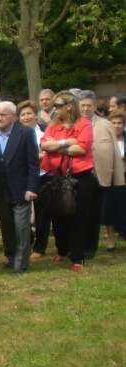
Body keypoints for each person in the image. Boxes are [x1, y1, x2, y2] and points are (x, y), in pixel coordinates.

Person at [40, 91, 97, 272]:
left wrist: (57, 146)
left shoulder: (84, 124)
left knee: (79, 217)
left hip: (80, 177)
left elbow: (82, 148)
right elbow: (44, 145)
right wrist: (67, 143)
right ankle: (62, 250)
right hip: (57, 175)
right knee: (58, 215)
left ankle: (77, 256)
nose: (54, 109)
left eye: (58, 106)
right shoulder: (53, 126)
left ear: (69, 106)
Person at [0, 101, 39, 273]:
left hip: (20, 189)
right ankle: (11, 255)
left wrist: (32, 188)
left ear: (13, 116)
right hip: (0, 191)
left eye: (3, 115)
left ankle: (21, 260)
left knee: (21, 226)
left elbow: (33, 164)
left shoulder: (25, 133)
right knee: (7, 226)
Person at [78, 90, 125, 257]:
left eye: (89, 105)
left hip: (101, 177)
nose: (85, 109)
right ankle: (79, 245)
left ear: (95, 105)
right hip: (80, 176)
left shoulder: (106, 125)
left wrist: (118, 179)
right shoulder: (74, 126)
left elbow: (115, 154)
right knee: (81, 213)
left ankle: (91, 247)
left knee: (97, 213)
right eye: (82, 105)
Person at [17, 100, 51, 260]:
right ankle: (26, 242)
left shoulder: (45, 132)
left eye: (29, 113)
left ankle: (40, 246)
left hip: (42, 176)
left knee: (42, 214)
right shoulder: (16, 134)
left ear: (36, 116)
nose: (25, 117)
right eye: (22, 114)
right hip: (22, 178)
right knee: (23, 213)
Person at [103, 110, 126, 245]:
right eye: (114, 123)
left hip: (124, 177)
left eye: (120, 123)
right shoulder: (104, 139)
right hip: (109, 178)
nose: (117, 126)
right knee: (108, 209)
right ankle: (111, 239)